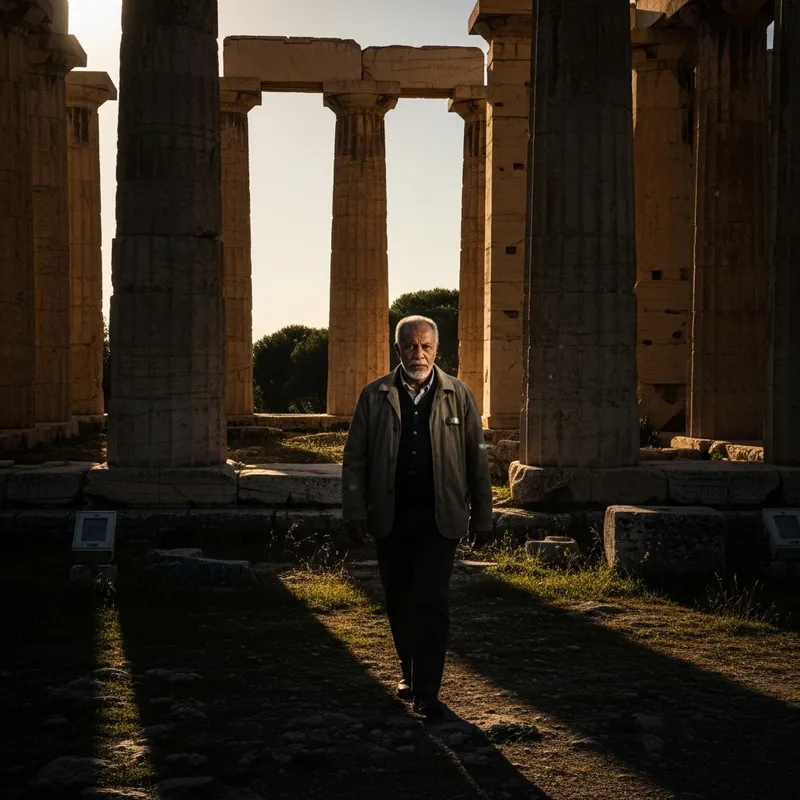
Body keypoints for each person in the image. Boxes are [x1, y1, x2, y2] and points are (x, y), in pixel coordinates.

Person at [342, 315, 493, 718]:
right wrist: (355, 509)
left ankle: (428, 690)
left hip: (440, 518)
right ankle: (408, 671)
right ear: (398, 350)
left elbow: (478, 457)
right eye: (410, 346)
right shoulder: (373, 395)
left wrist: (483, 515)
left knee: (432, 600)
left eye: (426, 346)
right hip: (390, 516)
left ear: (437, 350)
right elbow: (354, 458)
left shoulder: (459, 394)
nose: (418, 353)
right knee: (398, 598)